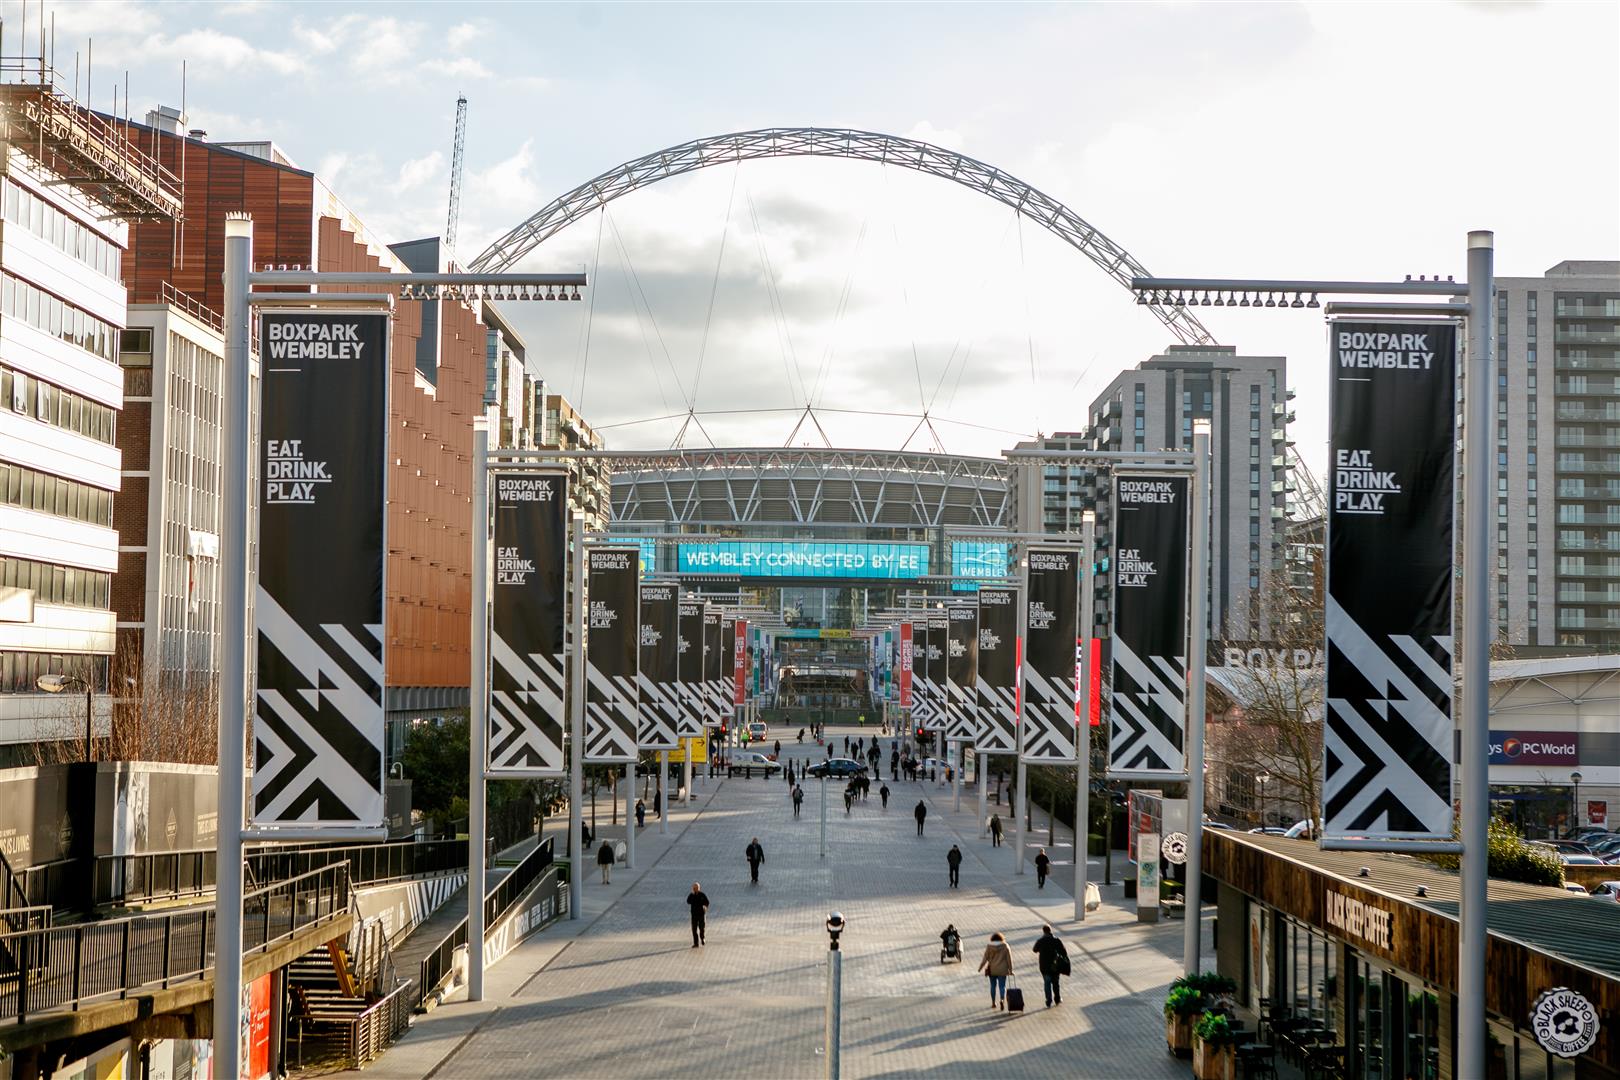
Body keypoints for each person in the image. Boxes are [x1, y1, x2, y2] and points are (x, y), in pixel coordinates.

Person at [1031, 924, 1069, 1007]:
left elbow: (1034, 949)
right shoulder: (1056, 940)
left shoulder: (1041, 940)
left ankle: (1048, 1000)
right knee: (1056, 983)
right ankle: (1057, 999)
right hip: (1055, 966)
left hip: (1044, 966)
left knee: (1047, 983)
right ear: (1050, 931)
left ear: (1043, 931)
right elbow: (1064, 952)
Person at [977, 931, 1014, 1011]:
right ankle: (1002, 1000)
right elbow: (1009, 959)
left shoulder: (989, 946)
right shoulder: (1005, 946)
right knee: (1002, 986)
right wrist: (1010, 970)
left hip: (992, 969)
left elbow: (985, 958)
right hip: (1002, 970)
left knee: (993, 986)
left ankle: (993, 1003)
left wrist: (980, 967)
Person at [686, 882, 710, 947]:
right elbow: (688, 901)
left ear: (699, 888)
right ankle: (696, 943)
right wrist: (691, 895)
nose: (695, 889)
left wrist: (705, 907)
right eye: (694, 888)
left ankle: (702, 938)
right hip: (694, 915)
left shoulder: (702, 895)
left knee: (702, 928)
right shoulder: (691, 895)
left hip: (701, 914)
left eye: (696, 888)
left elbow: (707, 902)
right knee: (694, 929)